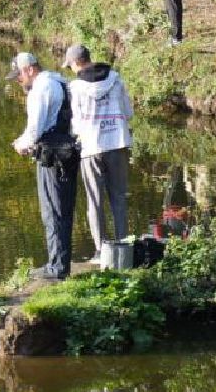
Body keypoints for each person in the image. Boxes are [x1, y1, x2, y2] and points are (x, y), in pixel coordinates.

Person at [11, 51, 80, 279]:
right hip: (69, 151)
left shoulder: (39, 90)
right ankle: (61, 263)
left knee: (52, 210)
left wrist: (21, 144)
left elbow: (35, 129)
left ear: (29, 69)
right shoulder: (61, 81)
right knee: (65, 209)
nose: (18, 80)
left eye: (19, 76)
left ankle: (57, 268)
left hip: (51, 156)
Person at [64, 44, 133, 258]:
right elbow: (128, 112)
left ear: (76, 63)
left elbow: (74, 124)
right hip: (117, 142)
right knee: (119, 198)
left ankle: (101, 251)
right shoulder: (115, 78)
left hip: (91, 147)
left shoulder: (75, 88)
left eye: (71, 66)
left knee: (94, 201)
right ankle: (123, 248)